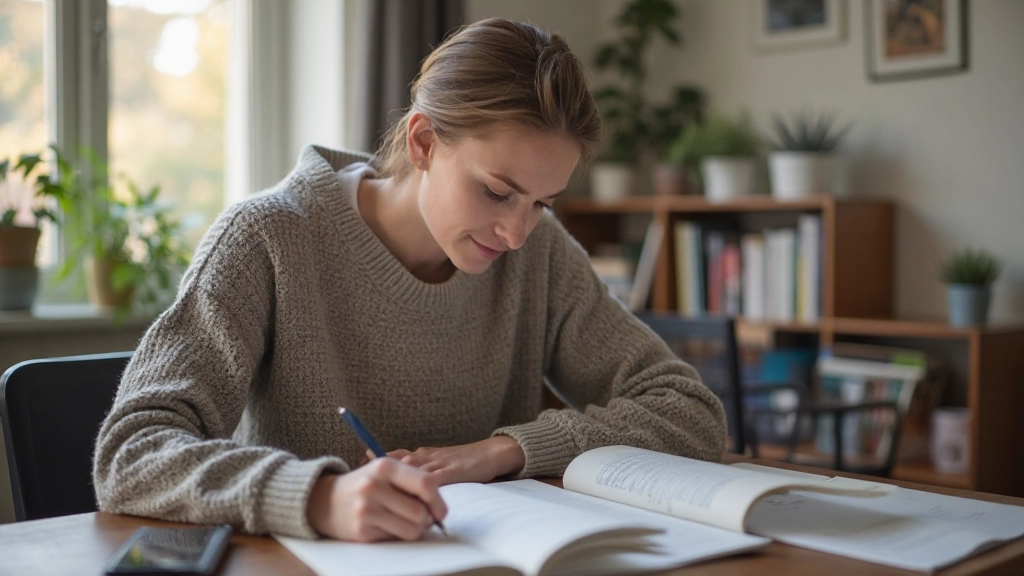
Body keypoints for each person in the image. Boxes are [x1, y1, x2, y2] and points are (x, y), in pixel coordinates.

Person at [92, 17, 727, 544]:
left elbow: (691, 412)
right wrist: (319, 498)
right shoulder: (266, 237)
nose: (515, 233)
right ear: (423, 142)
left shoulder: (540, 255)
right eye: (497, 192)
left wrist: (507, 449)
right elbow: (132, 453)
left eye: (542, 203)